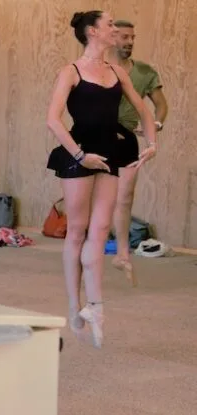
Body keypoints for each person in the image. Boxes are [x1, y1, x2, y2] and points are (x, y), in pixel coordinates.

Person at [46, 10, 156, 348]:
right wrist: (80, 155)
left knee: (100, 229)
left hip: (109, 152)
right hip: (79, 153)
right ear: (92, 32)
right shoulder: (71, 71)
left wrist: (152, 143)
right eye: (109, 24)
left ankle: (96, 306)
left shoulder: (117, 72)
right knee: (77, 231)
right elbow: (53, 120)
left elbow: (143, 109)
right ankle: (73, 305)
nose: (114, 28)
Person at [108, 19, 169, 286]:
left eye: (133, 37)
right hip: (95, 136)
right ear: (112, 38)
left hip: (126, 137)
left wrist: (156, 125)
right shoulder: (98, 67)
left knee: (125, 196)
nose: (130, 42)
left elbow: (161, 105)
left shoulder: (145, 72)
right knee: (96, 198)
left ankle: (122, 253)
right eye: (124, 37)